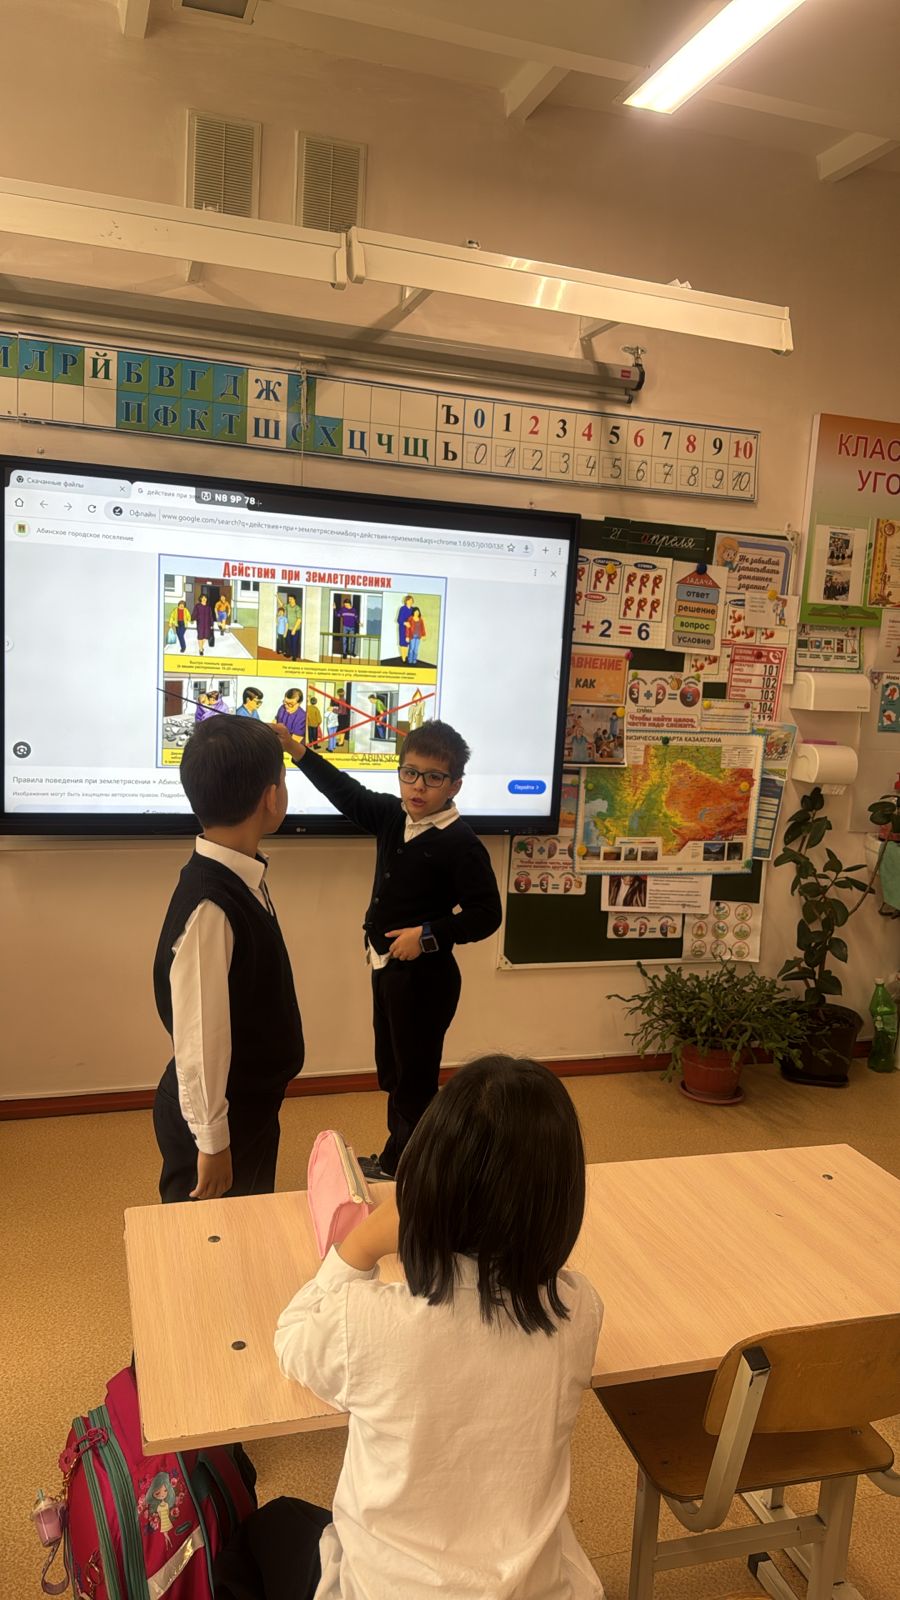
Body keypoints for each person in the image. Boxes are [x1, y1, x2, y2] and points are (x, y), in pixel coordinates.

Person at [273, 1056, 603, 1600]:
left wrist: (360, 1244)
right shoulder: (579, 1309)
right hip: (535, 1589)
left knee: (272, 1527)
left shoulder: (371, 1322)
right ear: (561, 1202)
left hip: (390, 1590)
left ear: (422, 1183)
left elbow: (292, 1339)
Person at [272, 718, 502, 1178]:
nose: (418, 786)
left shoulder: (461, 843)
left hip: (426, 980)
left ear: (455, 785)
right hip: (388, 970)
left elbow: (486, 914)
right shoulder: (394, 817)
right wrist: (296, 750)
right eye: (410, 773)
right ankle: (401, 1157)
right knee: (395, 1074)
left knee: (415, 1081)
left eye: (433, 778)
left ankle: (418, 1170)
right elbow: (346, 792)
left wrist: (428, 935)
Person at [152, 716, 305, 1204]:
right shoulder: (211, 905)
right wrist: (213, 1140)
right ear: (272, 797)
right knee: (206, 1231)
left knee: (248, 1212)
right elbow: (200, 1035)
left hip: (250, 1102)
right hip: (220, 1115)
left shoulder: (241, 875)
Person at [192, 591, 214, 655]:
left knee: (205, 637)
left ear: (206, 599)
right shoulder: (197, 606)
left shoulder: (208, 607)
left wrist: (212, 624)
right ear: (200, 599)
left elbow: (211, 616)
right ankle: (201, 649)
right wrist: (192, 619)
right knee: (200, 636)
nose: (204, 599)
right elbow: (194, 613)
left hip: (207, 624)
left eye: (205, 598)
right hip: (200, 623)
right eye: (203, 598)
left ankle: (201, 647)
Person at [395, 594, 415, 664]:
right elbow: (398, 620)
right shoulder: (402, 608)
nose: (410, 602)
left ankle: (406, 656)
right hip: (402, 628)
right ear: (406, 601)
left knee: (407, 643)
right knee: (402, 643)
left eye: (411, 600)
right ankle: (403, 658)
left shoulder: (413, 609)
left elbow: (415, 618)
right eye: (409, 600)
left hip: (410, 629)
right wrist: (404, 623)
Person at [286, 593, 302, 662]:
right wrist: (277, 597)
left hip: (295, 630)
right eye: (289, 599)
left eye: (291, 599)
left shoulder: (297, 608)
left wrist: (294, 630)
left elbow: (299, 620)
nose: (289, 600)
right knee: (289, 642)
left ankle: (294, 656)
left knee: (294, 643)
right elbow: (282, 605)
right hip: (288, 628)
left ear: (294, 599)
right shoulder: (288, 606)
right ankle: (289, 654)